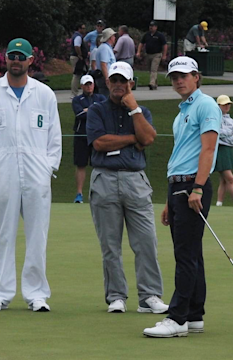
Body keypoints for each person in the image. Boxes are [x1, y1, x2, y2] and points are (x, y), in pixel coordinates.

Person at [0, 38, 62, 313]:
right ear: (5, 59)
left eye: (21, 56)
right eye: (12, 56)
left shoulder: (44, 94)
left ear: (31, 60)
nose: (16, 60)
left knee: (37, 234)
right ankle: (1, 293)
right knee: (3, 232)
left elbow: (55, 138)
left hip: (37, 171)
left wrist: (48, 168)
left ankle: (36, 294)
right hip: (2, 167)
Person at [143, 56, 221, 338]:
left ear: (196, 76)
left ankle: (177, 319)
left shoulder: (206, 105)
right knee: (192, 252)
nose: (178, 80)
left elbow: (208, 150)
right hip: (178, 186)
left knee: (185, 255)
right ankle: (194, 314)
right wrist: (169, 200)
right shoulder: (181, 113)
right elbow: (181, 156)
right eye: (174, 76)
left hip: (192, 185)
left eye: (184, 75)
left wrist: (197, 187)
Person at [86, 61, 169, 314]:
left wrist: (134, 111)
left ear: (131, 84)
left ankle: (150, 297)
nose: (118, 85)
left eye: (124, 81)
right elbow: (99, 142)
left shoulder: (142, 111)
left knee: (146, 242)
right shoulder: (97, 110)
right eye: (114, 80)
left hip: (135, 181)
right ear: (108, 82)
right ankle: (116, 296)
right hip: (105, 179)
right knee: (110, 245)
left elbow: (150, 138)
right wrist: (134, 139)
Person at [71, 74, 106, 203]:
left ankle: (98, 193)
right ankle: (79, 194)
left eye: (90, 84)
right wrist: (93, 111)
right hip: (81, 135)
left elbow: (103, 114)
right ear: (81, 86)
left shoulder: (100, 97)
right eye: (86, 85)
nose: (89, 86)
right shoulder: (77, 100)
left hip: (97, 135)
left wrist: (88, 110)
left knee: (98, 164)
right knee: (81, 164)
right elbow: (79, 114)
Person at [136, 21, 167, 90]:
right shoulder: (147, 35)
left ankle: (151, 83)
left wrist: (164, 55)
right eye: (150, 26)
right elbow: (141, 43)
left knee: (153, 69)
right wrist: (138, 52)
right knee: (150, 70)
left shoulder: (159, 35)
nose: (151, 27)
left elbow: (164, 45)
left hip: (157, 54)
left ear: (156, 27)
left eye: (152, 26)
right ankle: (155, 83)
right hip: (148, 54)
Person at [96, 28, 117, 97]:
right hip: (104, 77)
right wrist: (107, 79)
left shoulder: (107, 48)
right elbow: (103, 64)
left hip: (107, 76)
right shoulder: (104, 48)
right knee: (105, 97)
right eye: (114, 36)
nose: (115, 38)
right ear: (110, 37)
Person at [69, 23, 87, 97]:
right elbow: (77, 46)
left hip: (75, 57)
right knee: (77, 75)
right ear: (79, 29)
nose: (84, 30)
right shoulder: (78, 37)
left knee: (79, 74)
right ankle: (74, 93)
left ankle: (76, 91)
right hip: (77, 57)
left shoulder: (76, 36)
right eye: (83, 28)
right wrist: (80, 55)